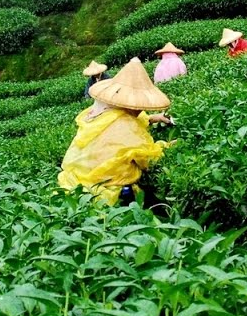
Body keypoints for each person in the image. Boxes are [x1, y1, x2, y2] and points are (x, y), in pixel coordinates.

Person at [58, 57, 173, 205]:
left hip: (77, 183)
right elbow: (147, 159)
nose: (140, 109)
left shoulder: (100, 114)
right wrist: (168, 146)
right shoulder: (127, 126)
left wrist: (153, 118)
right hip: (107, 189)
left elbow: (130, 119)